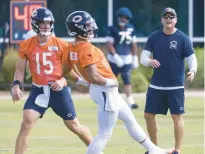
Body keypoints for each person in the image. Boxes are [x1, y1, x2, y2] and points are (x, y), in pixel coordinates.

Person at [65, 10, 173, 154]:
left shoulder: (72, 47)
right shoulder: (87, 48)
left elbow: (65, 71)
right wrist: (109, 82)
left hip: (102, 91)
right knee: (104, 134)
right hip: (105, 91)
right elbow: (94, 76)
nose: (91, 29)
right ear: (79, 29)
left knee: (130, 121)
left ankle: (153, 150)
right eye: (87, 26)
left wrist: (83, 82)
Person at [11, 7, 93, 154]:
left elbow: (69, 70)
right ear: (36, 24)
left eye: (49, 23)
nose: (46, 26)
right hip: (39, 91)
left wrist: (65, 80)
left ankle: (97, 150)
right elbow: (20, 70)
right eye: (43, 23)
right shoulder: (26, 45)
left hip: (58, 91)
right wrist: (16, 85)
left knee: (75, 126)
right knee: (26, 123)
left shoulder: (62, 45)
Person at [140, 7, 197, 154]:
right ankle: (154, 148)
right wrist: (149, 62)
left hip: (175, 84)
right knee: (148, 115)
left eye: (171, 17)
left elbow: (192, 58)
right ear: (162, 20)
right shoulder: (154, 37)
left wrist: (192, 71)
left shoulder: (183, 38)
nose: (168, 19)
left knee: (176, 116)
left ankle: (177, 150)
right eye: (166, 16)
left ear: (175, 20)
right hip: (156, 84)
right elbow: (143, 58)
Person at [106, 7, 139, 109]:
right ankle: (110, 100)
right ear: (118, 17)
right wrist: (115, 56)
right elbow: (109, 44)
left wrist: (135, 57)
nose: (123, 19)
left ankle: (129, 100)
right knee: (112, 80)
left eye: (126, 18)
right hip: (114, 58)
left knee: (127, 79)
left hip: (127, 58)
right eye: (122, 17)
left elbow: (133, 44)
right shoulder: (112, 28)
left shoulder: (131, 28)